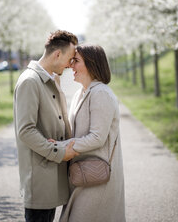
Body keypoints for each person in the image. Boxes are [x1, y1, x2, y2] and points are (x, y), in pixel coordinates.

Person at [13, 30, 79, 222]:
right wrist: (57, 151)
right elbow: (25, 131)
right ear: (57, 54)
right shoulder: (29, 81)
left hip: (52, 175)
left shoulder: (52, 78)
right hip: (40, 179)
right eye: (69, 58)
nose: (70, 64)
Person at [57, 44, 126, 222]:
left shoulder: (101, 93)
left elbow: (97, 137)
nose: (71, 65)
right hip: (82, 174)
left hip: (97, 177)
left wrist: (62, 147)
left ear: (91, 64)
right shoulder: (82, 93)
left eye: (76, 61)